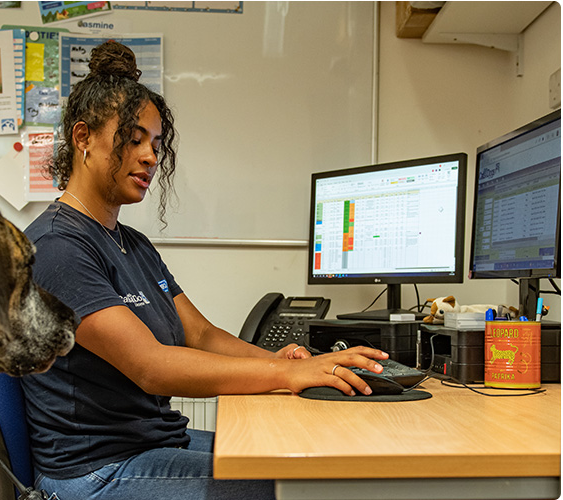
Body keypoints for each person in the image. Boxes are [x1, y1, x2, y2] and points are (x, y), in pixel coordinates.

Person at [22, 40, 389, 500]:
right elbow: (151, 367)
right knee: (297, 488)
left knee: (302, 460)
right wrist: (284, 376)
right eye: (134, 140)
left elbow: (199, 335)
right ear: (82, 138)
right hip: (99, 470)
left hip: (151, 442)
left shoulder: (132, 244)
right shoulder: (57, 246)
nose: (150, 157)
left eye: (156, 144)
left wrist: (283, 362)